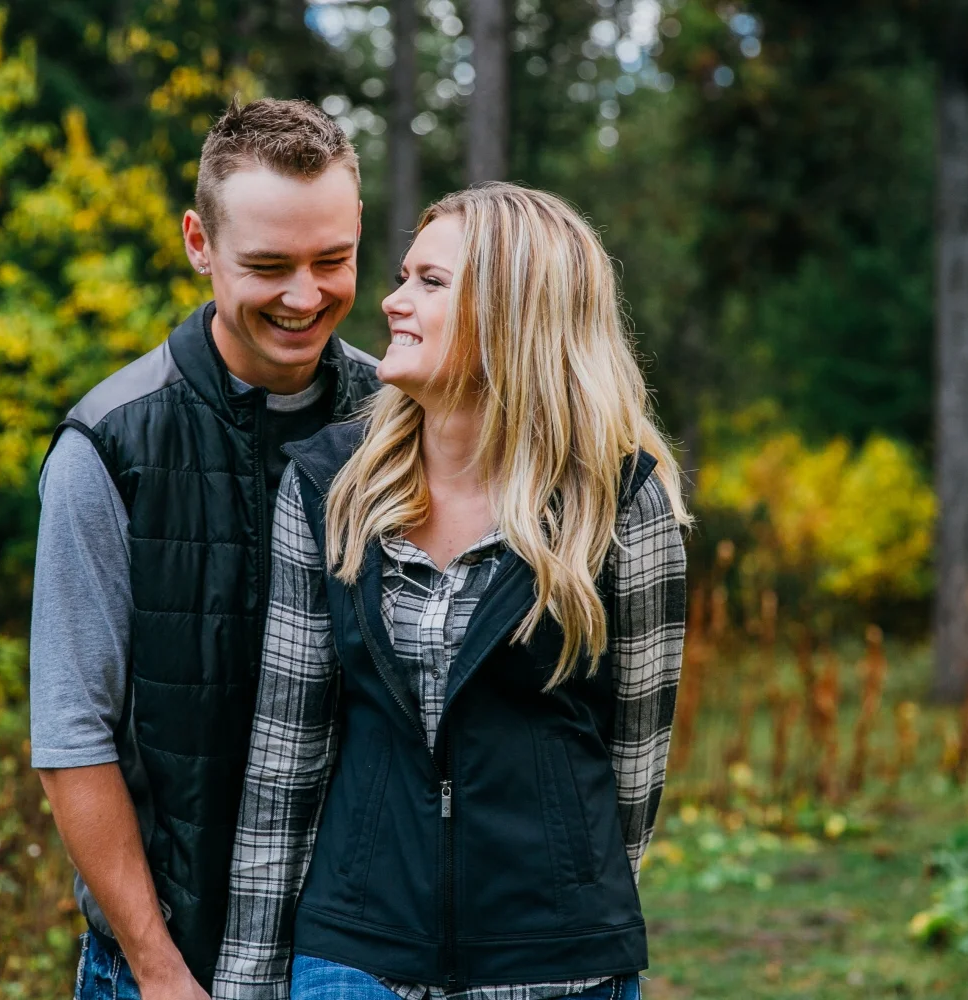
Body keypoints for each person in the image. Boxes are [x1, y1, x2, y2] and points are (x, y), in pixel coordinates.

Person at [214, 183, 690, 1000]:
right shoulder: (329, 489)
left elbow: (635, 761)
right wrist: (247, 981)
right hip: (355, 956)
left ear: (514, 310)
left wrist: (571, 918)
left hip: (553, 972)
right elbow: (285, 757)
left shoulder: (621, 500)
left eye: (430, 283)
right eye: (403, 276)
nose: (391, 303)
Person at [28, 98, 382, 1000]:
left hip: (366, 964)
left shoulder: (402, 425)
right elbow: (72, 736)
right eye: (268, 266)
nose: (305, 297)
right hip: (163, 965)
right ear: (198, 242)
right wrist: (158, 969)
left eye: (331, 260)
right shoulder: (108, 447)